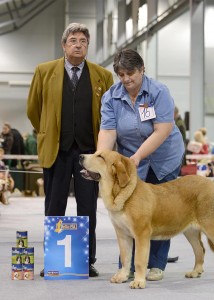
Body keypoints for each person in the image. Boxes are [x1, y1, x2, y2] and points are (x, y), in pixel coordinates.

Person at [26, 22, 114, 277]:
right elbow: (34, 109)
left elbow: (107, 115)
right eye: (73, 40)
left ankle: (87, 261)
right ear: (64, 45)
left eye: (83, 41)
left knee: (88, 207)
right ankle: (54, 259)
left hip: (90, 154)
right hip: (57, 150)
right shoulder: (44, 71)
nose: (78, 44)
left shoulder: (102, 75)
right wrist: (46, 130)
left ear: (88, 46)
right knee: (55, 205)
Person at [97, 48, 184, 281]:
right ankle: (127, 266)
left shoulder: (159, 92)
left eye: (130, 73)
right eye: (121, 74)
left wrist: (136, 157)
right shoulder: (111, 97)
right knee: (129, 213)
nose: (126, 79)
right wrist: (101, 160)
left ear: (142, 69)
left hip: (164, 158)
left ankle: (156, 265)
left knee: (160, 211)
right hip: (131, 164)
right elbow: (107, 131)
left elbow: (162, 130)